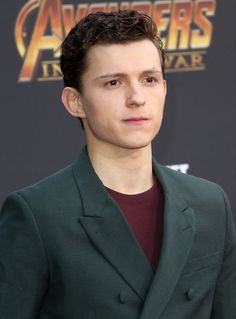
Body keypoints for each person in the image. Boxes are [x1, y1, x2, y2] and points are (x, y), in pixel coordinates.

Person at [0, 10, 235, 319]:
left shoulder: (210, 203)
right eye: (113, 82)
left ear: (164, 89)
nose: (137, 97)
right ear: (76, 102)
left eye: (149, 79)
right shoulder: (36, 215)